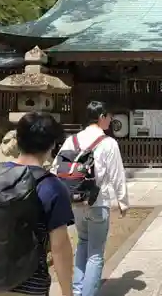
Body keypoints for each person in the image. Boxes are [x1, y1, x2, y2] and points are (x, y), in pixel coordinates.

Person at [0, 112, 75, 296]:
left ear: (17, 141)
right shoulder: (51, 186)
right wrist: (67, 292)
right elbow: (59, 248)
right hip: (29, 288)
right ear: (52, 144)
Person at [52, 101, 129, 296]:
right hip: (97, 201)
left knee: (82, 243)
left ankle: (77, 291)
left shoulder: (72, 140)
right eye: (109, 117)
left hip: (75, 201)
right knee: (95, 254)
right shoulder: (109, 143)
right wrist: (123, 201)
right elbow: (116, 174)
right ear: (102, 116)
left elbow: (56, 167)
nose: (111, 120)